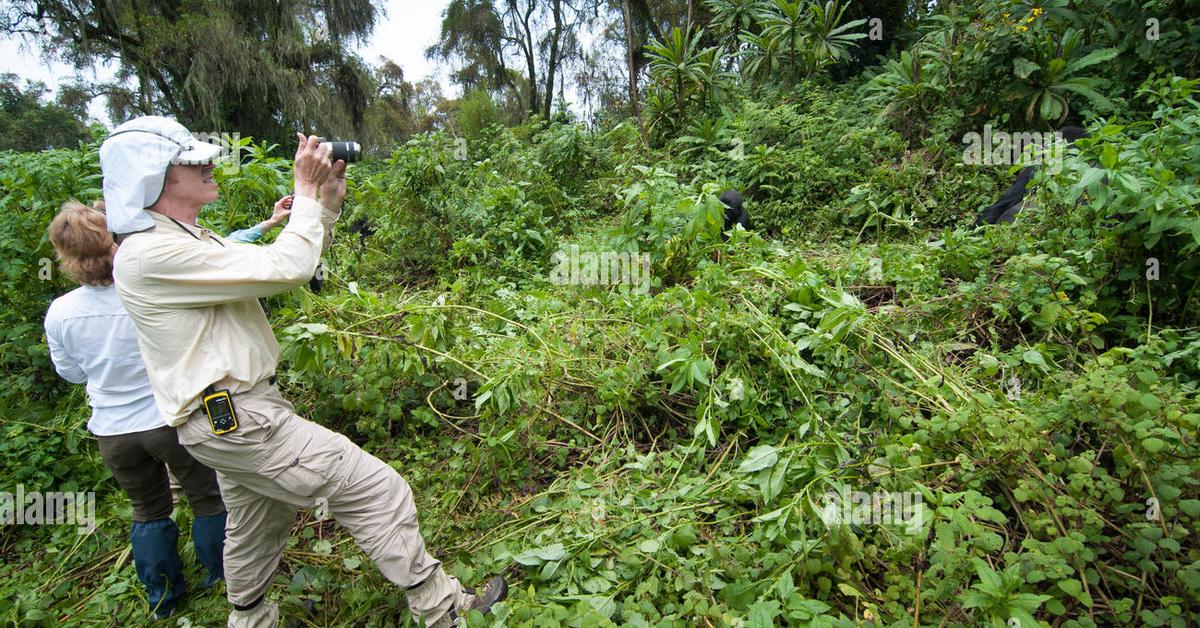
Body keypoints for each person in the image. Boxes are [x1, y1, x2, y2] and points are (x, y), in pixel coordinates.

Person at [100, 116, 506, 628]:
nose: (207, 163)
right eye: (191, 160)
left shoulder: (189, 239)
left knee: (253, 526)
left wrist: (325, 206)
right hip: (238, 419)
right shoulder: (150, 253)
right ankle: (444, 609)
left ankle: (249, 619)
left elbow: (291, 265)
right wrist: (305, 190)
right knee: (375, 489)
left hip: (228, 418)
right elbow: (284, 269)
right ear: (151, 176)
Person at [44, 200, 227, 620]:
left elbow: (71, 374)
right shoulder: (145, 291)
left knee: (147, 509)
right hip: (170, 418)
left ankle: (163, 598)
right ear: (116, 242)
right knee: (207, 497)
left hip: (112, 430)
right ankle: (221, 577)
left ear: (66, 256)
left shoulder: (61, 313)